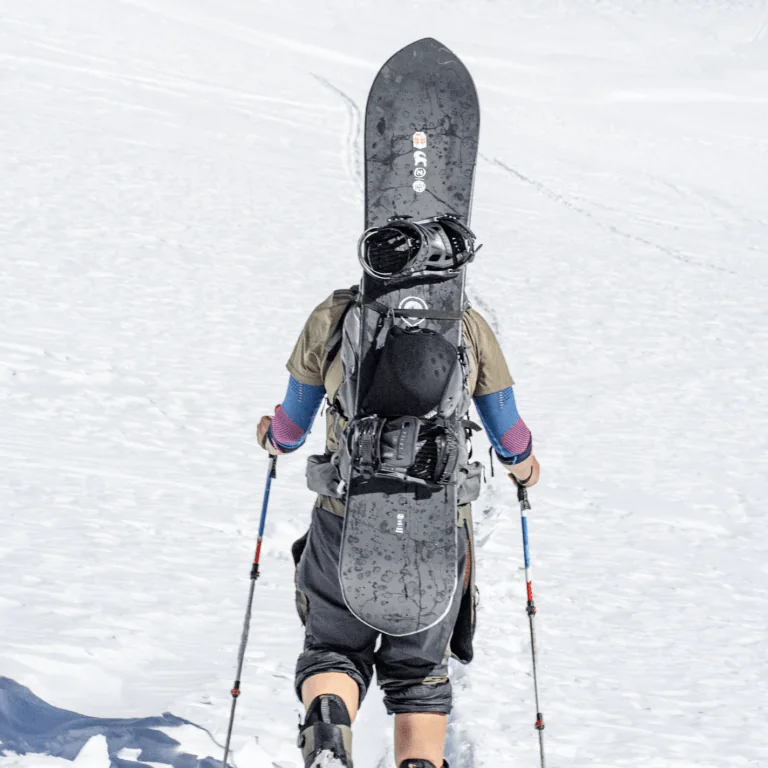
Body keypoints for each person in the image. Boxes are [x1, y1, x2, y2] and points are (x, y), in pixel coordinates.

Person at [257, 289, 539, 768]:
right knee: (421, 671)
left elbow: (290, 428)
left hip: (343, 517)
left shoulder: (336, 315)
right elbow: (508, 434)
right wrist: (526, 469)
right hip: (438, 525)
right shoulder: (466, 324)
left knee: (334, 649)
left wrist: (270, 435)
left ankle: (327, 731)